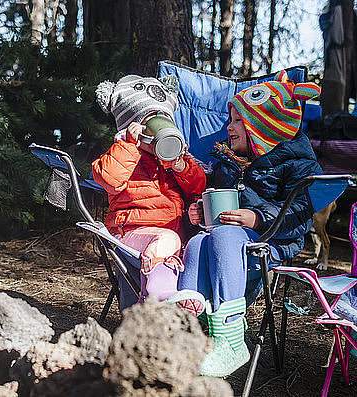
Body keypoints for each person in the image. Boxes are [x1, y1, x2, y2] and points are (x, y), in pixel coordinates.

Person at [178, 71, 323, 377]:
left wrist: (258, 218)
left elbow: (301, 213)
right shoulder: (229, 159)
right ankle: (188, 330)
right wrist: (197, 212)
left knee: (223, 237)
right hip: (225, 244)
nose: (227, 127)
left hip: (271, 244)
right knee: (197, 242)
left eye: (237, 122)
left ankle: (230, 340)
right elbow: (215, 199)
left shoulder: (297, 163)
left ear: (263, 127)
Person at [93, 74, 207, 313]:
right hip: (130, 235)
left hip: (169, 238)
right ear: (135, 127)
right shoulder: (123, 153)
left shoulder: (171, 162)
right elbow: (109, 179)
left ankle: (192, 317)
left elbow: (198, 188)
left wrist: (180, 165)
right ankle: (159, 299)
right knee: (167, 240)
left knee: (194, 245)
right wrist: (128, 143)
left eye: (165, 120)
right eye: (151, 121)